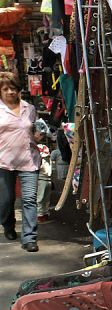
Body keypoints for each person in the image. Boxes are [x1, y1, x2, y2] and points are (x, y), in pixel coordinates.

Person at [0, 72, 41, 252]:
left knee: (29, 199)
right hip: (3, 161)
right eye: (5, 89)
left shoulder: (29, 108)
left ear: (18, 90)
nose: (10, 92)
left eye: (13, 88)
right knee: (6, 200)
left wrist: (38, 135)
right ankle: (8, 224)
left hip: (29, 160)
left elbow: (33, 131)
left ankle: (29, 237)